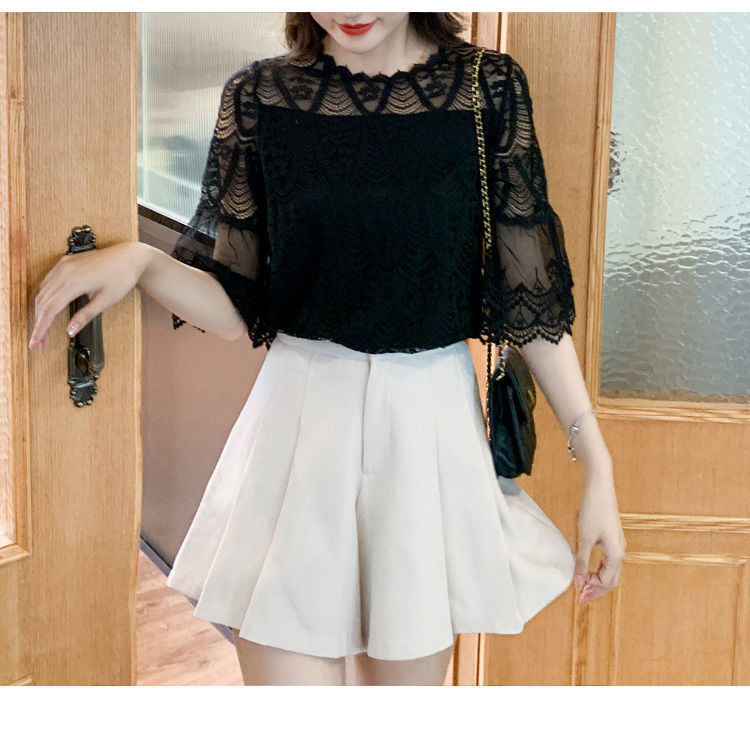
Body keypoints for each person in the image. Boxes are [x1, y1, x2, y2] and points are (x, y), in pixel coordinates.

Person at [28, 12, 626, 686]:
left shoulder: (487, 89)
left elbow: (531, 305)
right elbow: (238, 306)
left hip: (427, 437)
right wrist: (143, 262)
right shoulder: (259, 97)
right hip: (297, 433)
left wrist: (597, 465)